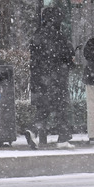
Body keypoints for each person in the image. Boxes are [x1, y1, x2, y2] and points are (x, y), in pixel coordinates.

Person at [27, 8, 76, 150]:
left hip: (39, 79)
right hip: (55, 79)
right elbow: (65, 56)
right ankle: (62, 137)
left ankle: (34, 130)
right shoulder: (58, 36)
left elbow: (36, 58)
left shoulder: (37, 35)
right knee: (60, 108)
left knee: (44, 107)